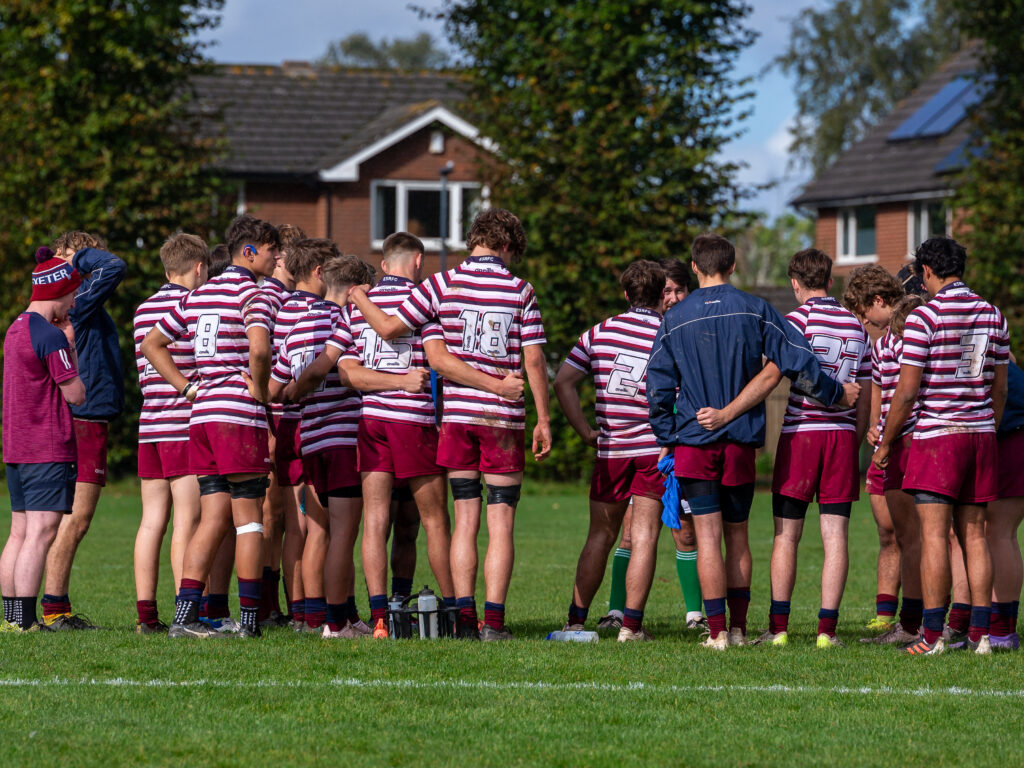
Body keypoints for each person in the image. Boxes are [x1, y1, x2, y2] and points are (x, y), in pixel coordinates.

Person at [647, 233, 859, 650]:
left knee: (706, 538)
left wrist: (667, 434)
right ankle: (740, 629)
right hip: (741, 440)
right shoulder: (757, 309)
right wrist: (836, 394)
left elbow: (657, 386)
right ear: (734, 265)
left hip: (695, 438)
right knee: (738, 535)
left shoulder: (674, 318)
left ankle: (717, 633)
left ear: (694, 268)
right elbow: (797, 360)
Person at [347, 208, 549, 640]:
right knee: (501, 524)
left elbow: (392, 330)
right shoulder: (520, 289)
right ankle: (492, 623)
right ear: (508, 245)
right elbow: (533, 358)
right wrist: (541, 418)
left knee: (464, 519)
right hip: (502, 420)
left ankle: (462, 617)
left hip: (457, 418)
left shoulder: (440, 284)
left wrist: (359, 295)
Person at [142, 213, 280, 639]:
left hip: (201, 417)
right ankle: (251, 622)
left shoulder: (198, 295)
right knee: (249, 520)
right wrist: (260, 388)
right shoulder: (252, 295)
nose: (276, 261)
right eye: (272, 252)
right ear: (251, 251)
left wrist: (186, 388)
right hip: (238, 416)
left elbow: (152, 343)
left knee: (212, 517)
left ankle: (184, 618)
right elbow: (259, 350)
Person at [876, 236, 1009, 655]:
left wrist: (885, 442)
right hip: (981, 433)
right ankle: (981, 636)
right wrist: (987, 426)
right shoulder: (994, 314)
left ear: (927, 272)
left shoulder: (925, 317)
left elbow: (907, 392)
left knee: (934, 537)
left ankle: (931, 636)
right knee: (974, 536)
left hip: (938, 437)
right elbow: (1000, 389)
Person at [334, 232, 454, 638]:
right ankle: (456, 610)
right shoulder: (424, 304)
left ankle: (381, 616)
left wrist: (384, 383)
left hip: (371, 420)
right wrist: (403, 381)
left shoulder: (356, 310)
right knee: (435, 520)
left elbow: (347, 374)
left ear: (384, 265)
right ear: (418, 261)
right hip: (413, 422)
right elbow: (437, 360)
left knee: (376, 520)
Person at [753, 249, 870, 649]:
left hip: (801, 432)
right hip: (840, 436)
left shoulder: (793, 322)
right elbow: (866, 392)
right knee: (835, 535)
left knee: (786, 535)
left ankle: (779, 628)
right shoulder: (856, 327)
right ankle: (827, 632)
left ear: (794, 283)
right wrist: (853, 438)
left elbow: (773, 371)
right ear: (830, 280)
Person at [554, 260, 667, 641]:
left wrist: (585, 430)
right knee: (646, 536)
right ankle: (631, 627)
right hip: (654, 449)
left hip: (612, 449)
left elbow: (564, 382)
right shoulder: (669, 333)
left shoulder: (599, 332)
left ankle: (574, 621)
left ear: (625, 294)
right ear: (661, 295)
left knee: (599, 535)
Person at [599, 257, 703, 631]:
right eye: (668, 291)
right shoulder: (649, 330)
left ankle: (695, 615)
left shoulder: (686, 331)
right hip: (644, 449)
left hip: (681, 445)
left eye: (679, 290)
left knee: (686, 531)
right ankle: (616, 612)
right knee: (631, 530)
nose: (673, 297)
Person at [279, 252, 377, 638]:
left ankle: (327, 615)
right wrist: (298, 389)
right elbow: (324, 369)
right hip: (341, 437)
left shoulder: (298, 325)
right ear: (354, 290)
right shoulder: (346, 321)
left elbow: (275, 384)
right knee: (343, 534)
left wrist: (291, 393)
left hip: (312, 437)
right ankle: (337, 623)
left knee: (320, 532)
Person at [42, 232, 126, 630]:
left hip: (87, 417)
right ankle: (54, 609)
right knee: (75, 519)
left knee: (65, 519)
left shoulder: (74, 304)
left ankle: (52, 606)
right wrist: (76, 258)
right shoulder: (79, 302)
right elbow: (114, 266)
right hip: (85, 418)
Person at [0, 248, 85, 631]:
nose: (73, 303)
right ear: (59, 293)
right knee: (41, 532)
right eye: (71, 296)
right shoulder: (50, 336)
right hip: (47, 447)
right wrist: (69, 343)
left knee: (19, 532)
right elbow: (76, 394)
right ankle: (29, 621)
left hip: (17, 447)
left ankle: (11, 618)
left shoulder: (16, 328)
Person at [842, 267, 925, 645]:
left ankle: (923, 620)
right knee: (892, 534)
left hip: (912, 445)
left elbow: (914, 394)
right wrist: (875, 428)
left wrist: (891, 438)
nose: (862, 322)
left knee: (919, 537)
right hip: (887, 448)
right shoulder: (879, 347)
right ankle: (894, 617)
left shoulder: (915, 335)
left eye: (862, 313)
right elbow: (878, 391)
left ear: (879, 302)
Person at [131, 234, 209, 633]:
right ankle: (186, 614)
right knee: (188, 522)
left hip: (150, 424)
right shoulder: (191, 306)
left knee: (151, 521)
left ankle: (147, 616)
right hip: (182, 421)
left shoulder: (143, 309)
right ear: (200, 268)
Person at [258, 223, 303, 625]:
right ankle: (267, 602)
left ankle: (295, 603)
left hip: (291, 415)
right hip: (273, 415)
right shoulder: (268, 297)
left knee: (292, 516)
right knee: (272, 513)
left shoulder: (290, 296)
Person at [986, 362, 1024, 650]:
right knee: (1002, 534)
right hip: (1014, 434)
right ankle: (1002, 628)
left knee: (999, 533)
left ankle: (1001, 630)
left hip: (1012, 437)